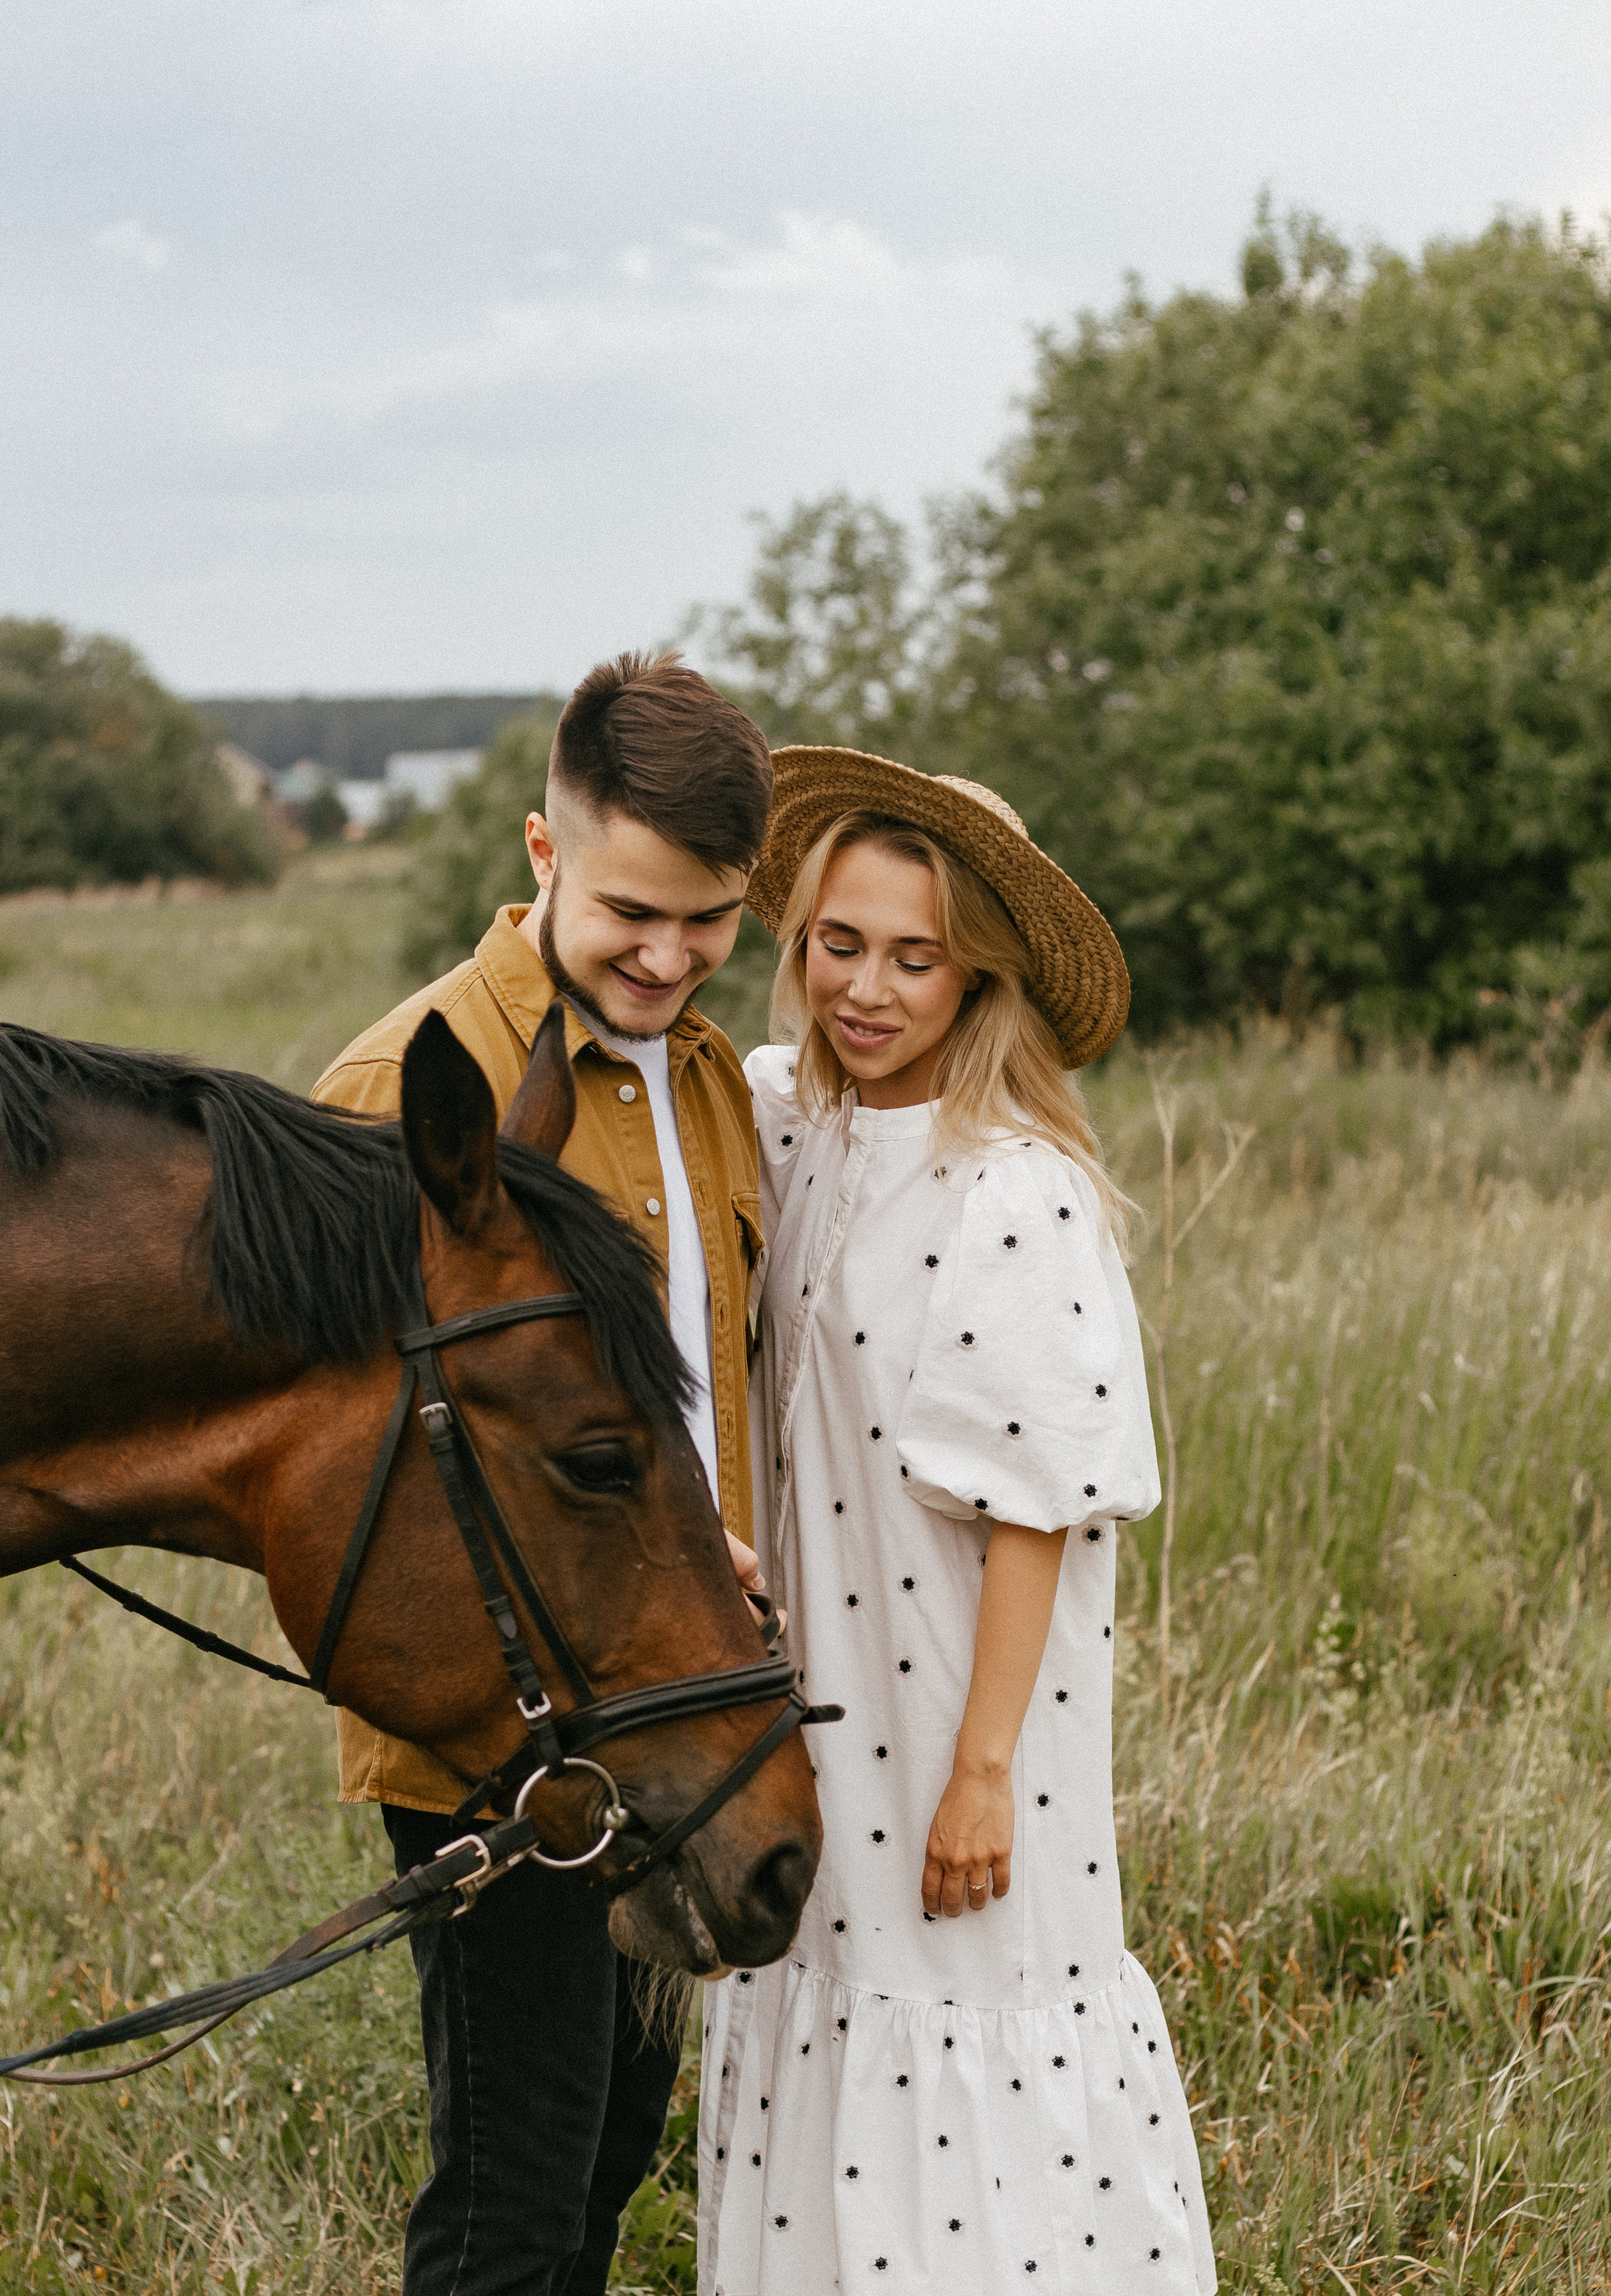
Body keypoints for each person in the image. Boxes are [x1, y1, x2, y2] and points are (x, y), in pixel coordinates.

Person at [698, 748, 1219, 2292]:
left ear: (973, 972)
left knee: (967, 2049)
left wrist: (982, 1772)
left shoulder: (1013, 1189)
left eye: (914, 957)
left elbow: (1035, 1516)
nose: (866, 989)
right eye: (837, 944)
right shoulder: (782, 1115)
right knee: (824, 2016)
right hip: (801, 1709)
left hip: (952, 1712)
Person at [313, 651, 775, 2296]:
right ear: (540, 856)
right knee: (512, 2192)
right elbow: (338, 1464)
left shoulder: (711, 1075)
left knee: (607, 2154)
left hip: (675, 1698)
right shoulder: (397, 1091)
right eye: (629, 910)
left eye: (708, 919)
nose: (664, 954)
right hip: (508, 1732)